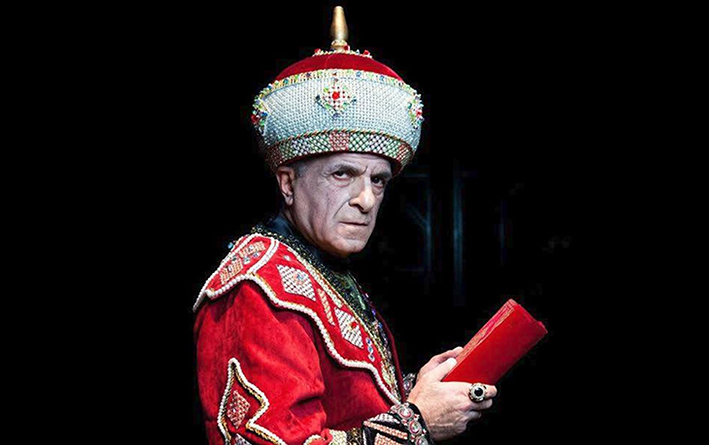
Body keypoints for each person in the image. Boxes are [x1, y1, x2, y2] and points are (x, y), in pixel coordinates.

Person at [193, 7, 497, 444]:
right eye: (342, 174)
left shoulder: (318, 268)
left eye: (378, 180)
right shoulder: (260, 287)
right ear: (288, 183)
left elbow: (344, 407)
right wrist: (418, 423)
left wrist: (417, 394)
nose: (367, 199)